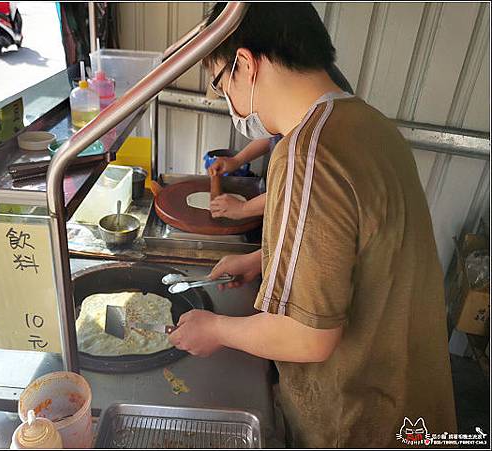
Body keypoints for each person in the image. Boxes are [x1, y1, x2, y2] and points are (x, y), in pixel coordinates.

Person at [168, 3, 457, 448]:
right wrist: (265, 259)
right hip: (411, 401)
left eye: (221, 82)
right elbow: (356, 243)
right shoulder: (366, 123)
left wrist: (216, 329)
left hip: (360, 418)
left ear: (245, 65)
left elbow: (308, 336)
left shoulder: (307, 151)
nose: (224, 99)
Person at [209, 66, 353, 220]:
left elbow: (295, 191)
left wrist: (243, 208)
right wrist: (236, 160)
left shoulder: (317, 115)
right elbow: (274, 133)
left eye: (223, 86)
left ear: (247, 64)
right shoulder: (288, 90)